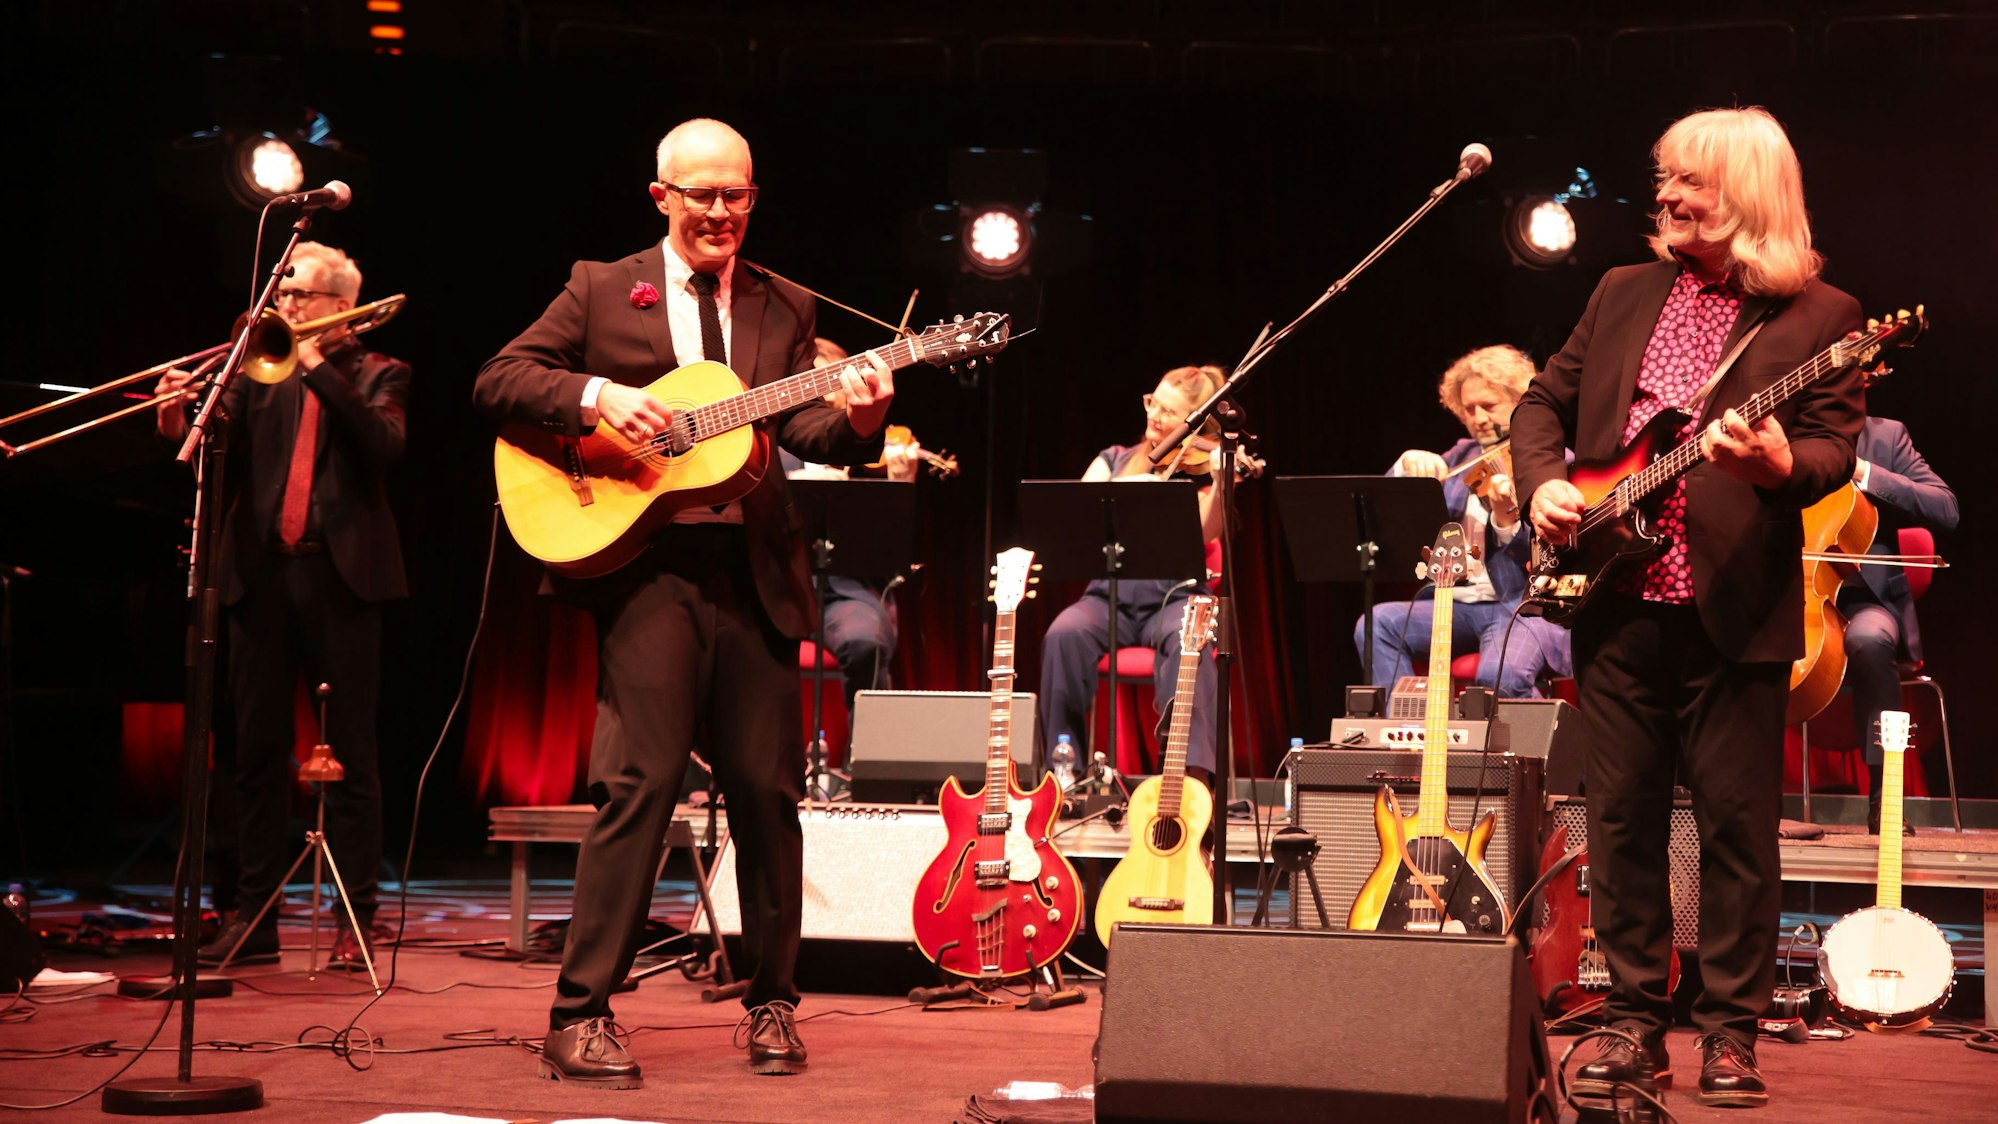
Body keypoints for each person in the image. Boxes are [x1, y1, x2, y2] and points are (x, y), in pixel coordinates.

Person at [474, 118, 894, 1087]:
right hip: (642, 567)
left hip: (753, 571)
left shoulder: (786, 301)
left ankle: (774, 1002)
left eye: (735, 194)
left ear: (754, 197)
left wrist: (863, 415)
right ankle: (580, 1012)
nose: (719, 212)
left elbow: (811, 426)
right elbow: (497, 379)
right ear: (660, 194)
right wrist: (593, 397)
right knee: (642, 778)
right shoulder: (597, 284)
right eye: (700, 193)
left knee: (766, 789)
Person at [1513, 107, 1865, 1113]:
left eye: (1689, 185)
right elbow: (1543, 404)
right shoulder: (1624, 289)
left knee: (1735, 832)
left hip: (1733, 604)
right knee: (1620, 820)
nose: (1665, 197)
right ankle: (1630, 1019)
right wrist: (1541, 481)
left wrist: (1781, 461)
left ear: (1746, 194)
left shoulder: (1824, 316)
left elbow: (1836, 446)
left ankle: (1729, 1034)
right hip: (1617, 597)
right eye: (1664, 179)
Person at [155, 241, 408, 973]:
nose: (283, 309)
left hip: (343, 580)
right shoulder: (257, 370)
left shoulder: (381, 372)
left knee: (352, 757)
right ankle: (254, 916)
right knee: (256, 758)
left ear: (338, 307)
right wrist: (179, 420)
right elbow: (214, 442)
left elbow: (384, 443)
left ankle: (354, 921)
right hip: (259, 579)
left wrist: (316, 364)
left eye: (298, 299)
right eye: (282, 298)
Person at [1038, 365, 1228, 786]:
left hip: (1174, 597)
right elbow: (1075, 517)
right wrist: (1127, 492)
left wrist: (1219, 480)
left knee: (1189, 640)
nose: (1155, 416)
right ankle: (1063, 770)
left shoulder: (1196, 472)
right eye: (1153, 402)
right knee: (1062, 634)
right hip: (1109, 597)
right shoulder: (1116, 458)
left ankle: (1187, 779)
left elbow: (1208, 532)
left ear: (1194, 424)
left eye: (1169, 411)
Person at [1351, 345, 1572, 699]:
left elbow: (1556, 550)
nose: (1479, 417)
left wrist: (1505, 518)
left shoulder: (1547, 460)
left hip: (1520, 605)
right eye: (1469, 409)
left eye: (1489, 405)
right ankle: (1408, 738)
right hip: (1458, 605)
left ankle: (1534, 753)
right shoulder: (1460, 457)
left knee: (1499, 674)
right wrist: (1405, 467)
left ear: (1519, 399)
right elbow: (1390, 511)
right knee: (1377, 625)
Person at [781, 338, 925, 726]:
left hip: (842, 594)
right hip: (776, 587)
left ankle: (867, 761)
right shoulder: (770, 444)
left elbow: (890, 547)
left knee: (866, 641)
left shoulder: (863, 444)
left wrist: (900, 480)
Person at [1842, 413, 1957, 833]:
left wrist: (1864, 472)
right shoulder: (1785, 433)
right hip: (1793, 597)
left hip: (1866, 599)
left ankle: (1884, 801)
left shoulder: (1886, 436)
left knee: (1870, 640)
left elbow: (1945, 507)